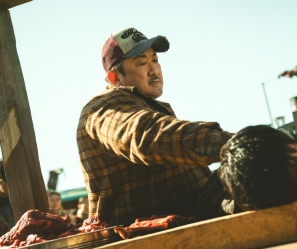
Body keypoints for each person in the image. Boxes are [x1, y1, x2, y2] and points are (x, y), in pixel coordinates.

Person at [76, 27, 233, 226]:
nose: (154, 69)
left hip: (193, 222)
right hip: (151, 236)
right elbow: (145, 135)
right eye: (142, 62)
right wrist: (232, 144)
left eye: (155, 60)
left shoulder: (146, 104)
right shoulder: (102, 108)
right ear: (115, 78)